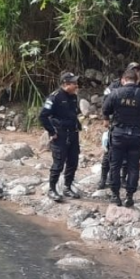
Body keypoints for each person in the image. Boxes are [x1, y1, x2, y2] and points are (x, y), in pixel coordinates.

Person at [101, 69, 140, 207]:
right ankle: (130, 196)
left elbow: (105, 109)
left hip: (118, 134)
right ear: (137, 81)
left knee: (115, 165)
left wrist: (108, 119)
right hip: (136, 135)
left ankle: (115, 195)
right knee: (133, 167)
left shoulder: (116, 93)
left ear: (123, 80)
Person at [39, 72, 83, 202]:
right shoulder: (55, 97)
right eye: (73, 83)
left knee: (73, 162)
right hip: (60, 135)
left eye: (76, 83)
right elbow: (43, 116)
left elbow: (73, 114)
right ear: (65, 84)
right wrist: (52, 132)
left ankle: (67, 187)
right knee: (58, 163)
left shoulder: (73, 97)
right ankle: (52, 189)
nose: (76, 85)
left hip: (73, 134)